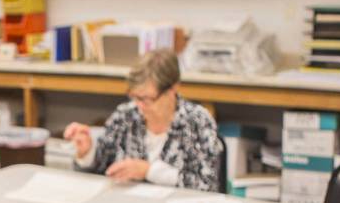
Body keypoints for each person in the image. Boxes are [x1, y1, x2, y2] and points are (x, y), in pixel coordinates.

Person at [64, 49, 222, 191]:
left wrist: (149, 171)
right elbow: (100, 166)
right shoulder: (126, 115)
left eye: (146, 99)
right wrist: (87, 152)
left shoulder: (197, 122)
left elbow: (206, 184)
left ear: (172, 89)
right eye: (135, 96)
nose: (139, 105)